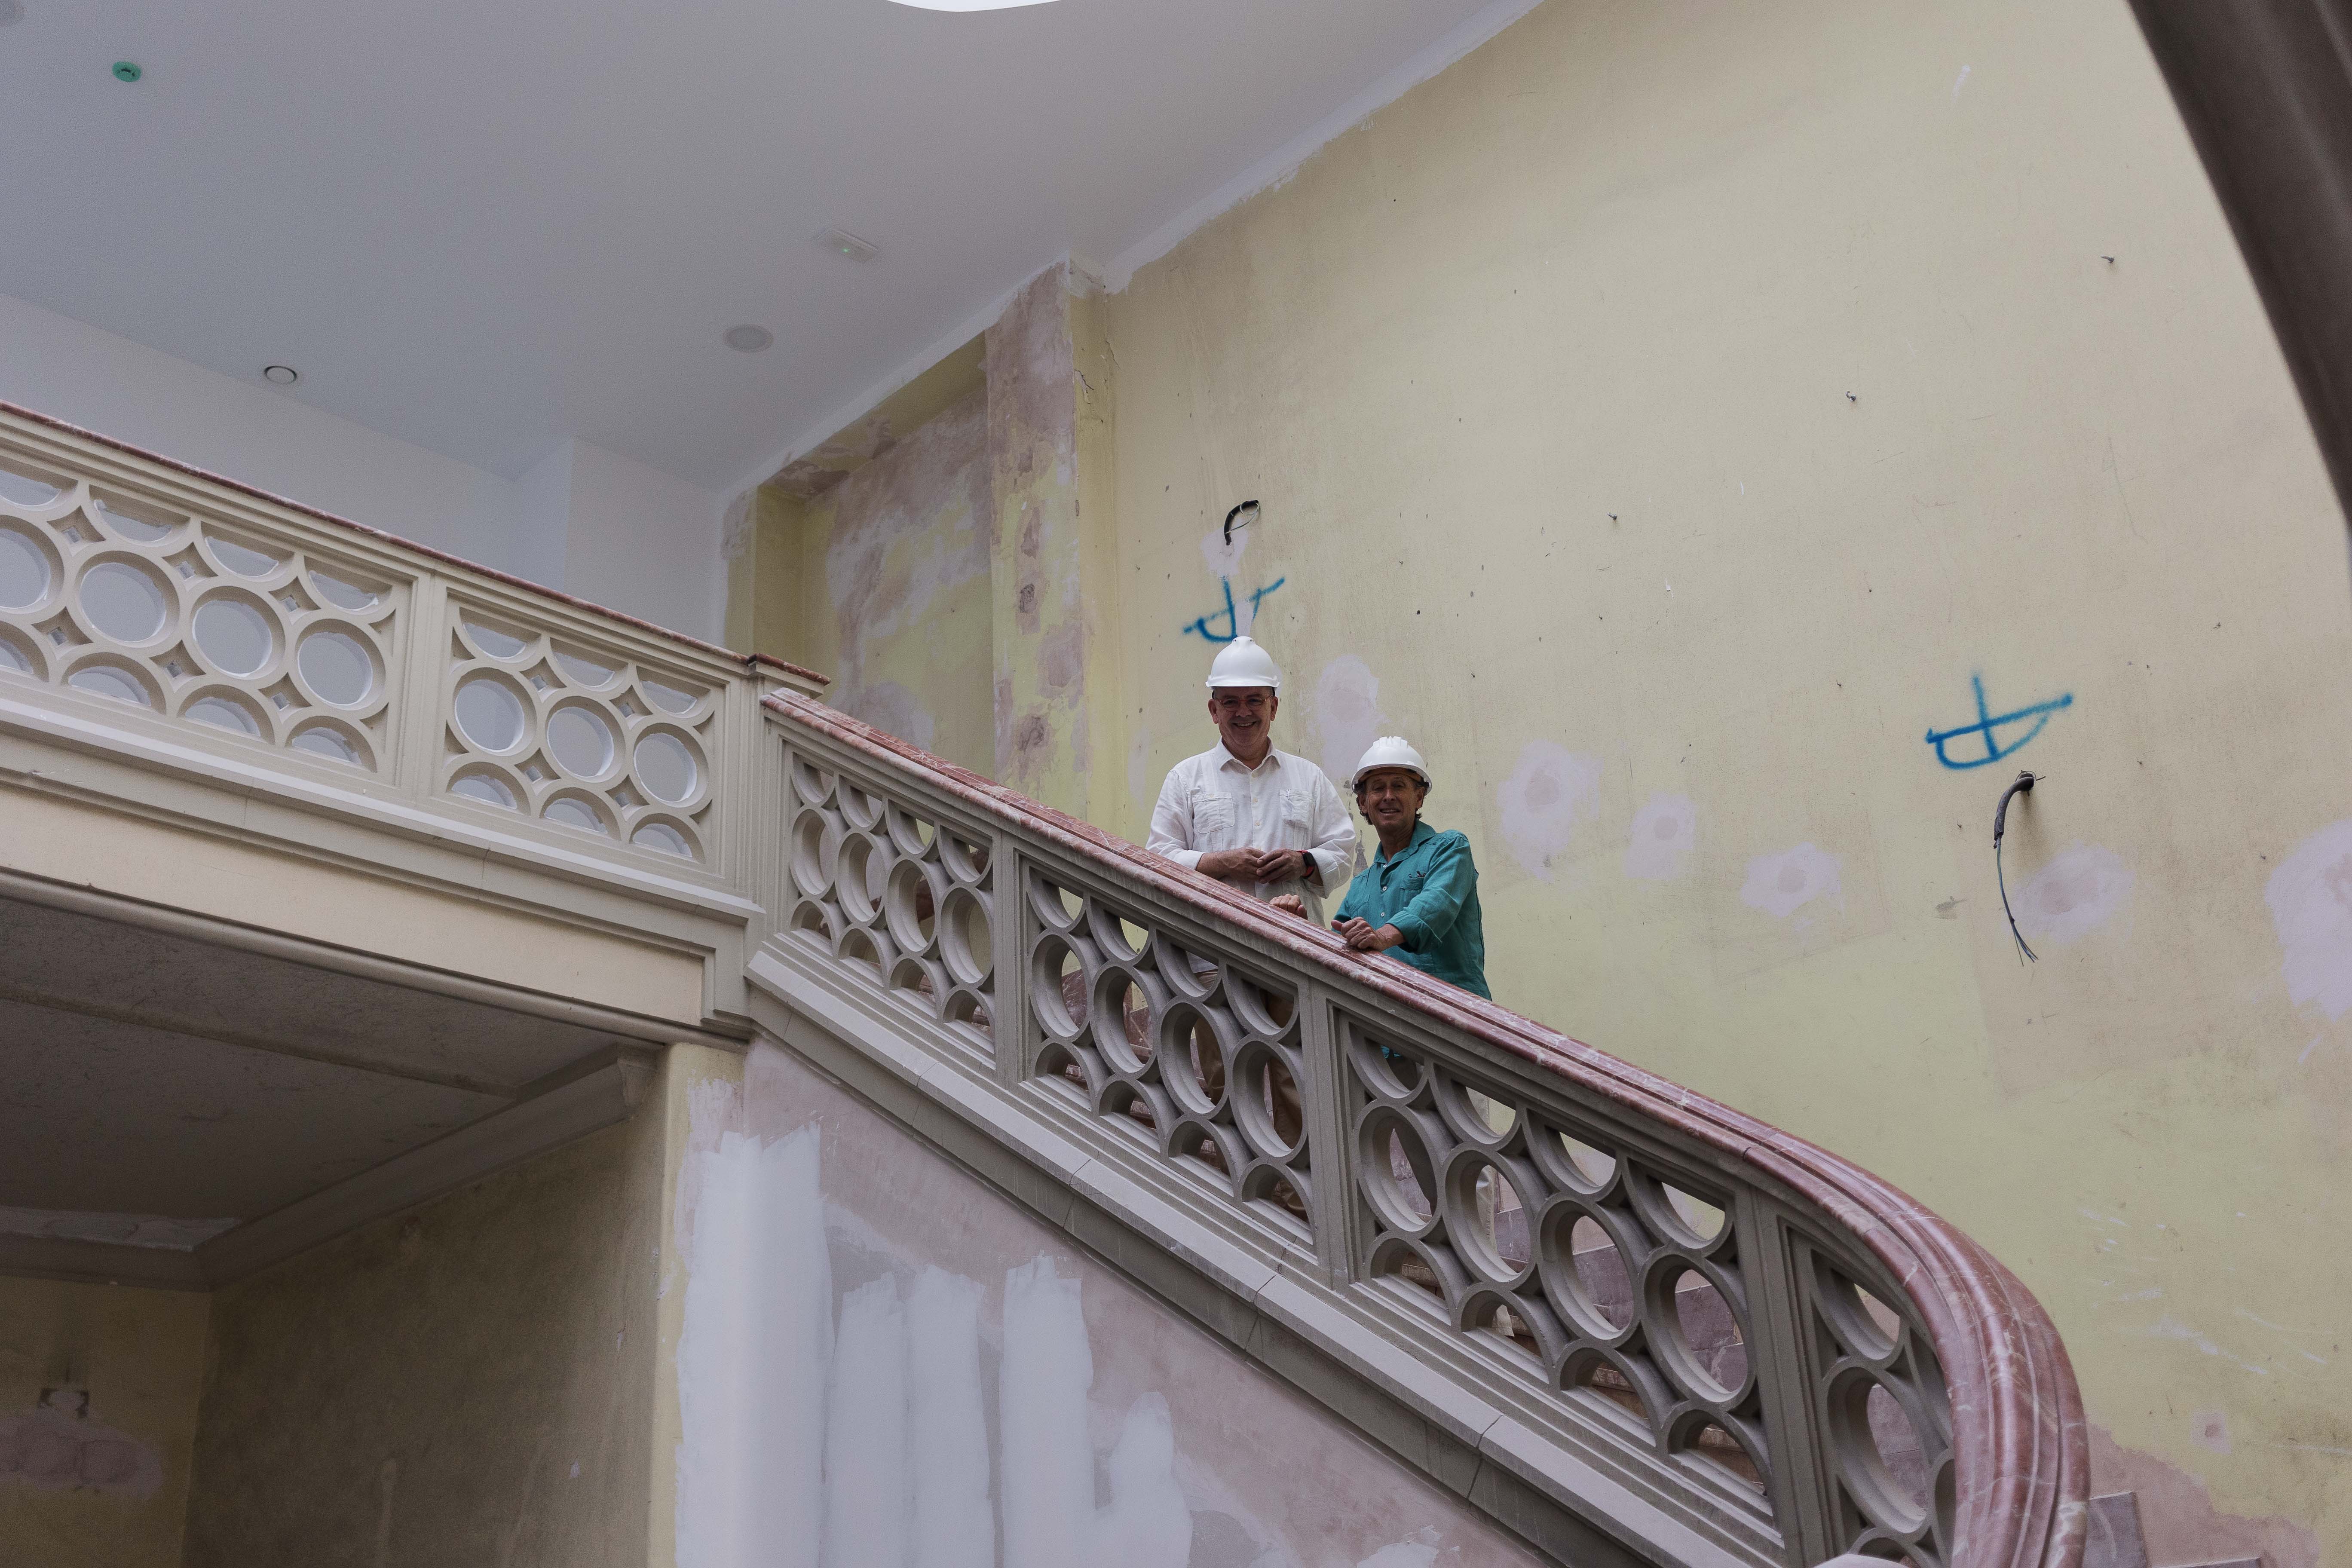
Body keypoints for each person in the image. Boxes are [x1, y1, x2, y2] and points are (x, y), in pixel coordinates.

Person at [1147, 635, 1357, 922]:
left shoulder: (1309, 778)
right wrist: (1221, 862)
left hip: (1297, 948)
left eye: (1255, 700)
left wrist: (1304, 863)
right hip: (1211, 950)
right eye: (1231, 702)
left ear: (1273, 708)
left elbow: (1343, 854)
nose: (1243, 712)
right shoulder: (1185, 779)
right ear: (1214, 711)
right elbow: (1157, 860)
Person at [1305, 736, 1489, 999]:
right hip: (1384, 1029)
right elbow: (1336, 949)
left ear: (1419, 797)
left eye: (1399, 786)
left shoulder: (1450, 848)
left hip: (1455, 1019)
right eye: (1378, 788)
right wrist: (1299, 924)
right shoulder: (1362, 883)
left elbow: (1434, 905)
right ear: (1362, 803)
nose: (1388, 796)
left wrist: (1381, 937)